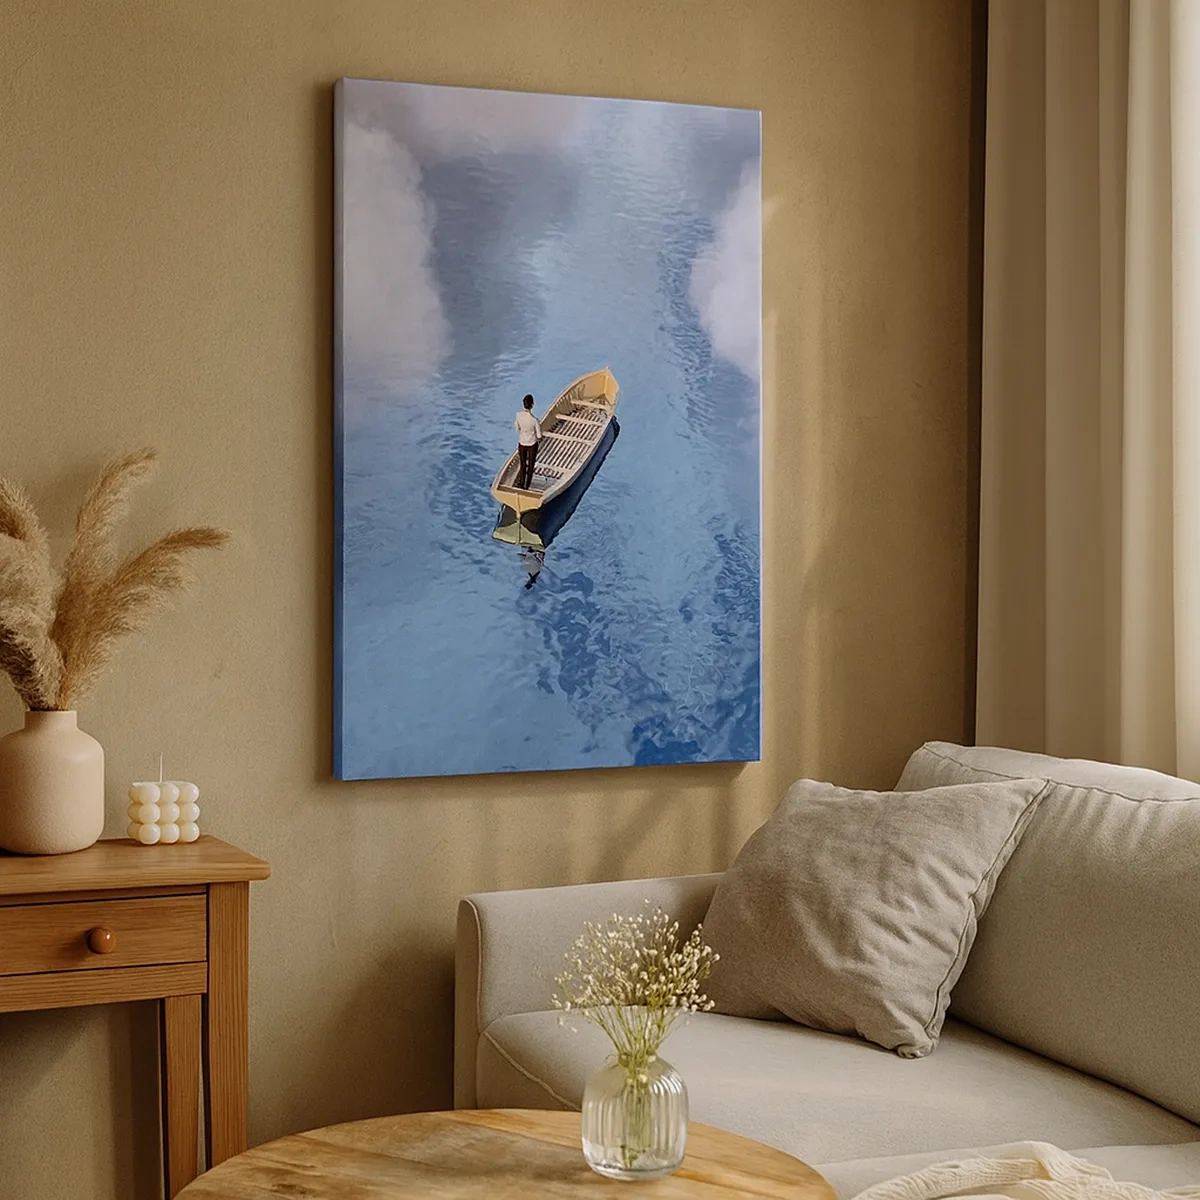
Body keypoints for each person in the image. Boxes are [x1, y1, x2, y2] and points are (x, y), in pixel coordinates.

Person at [514, 393, 542, 490]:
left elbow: (517, 428)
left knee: (522, 464)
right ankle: (527, 486)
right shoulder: (534, 420)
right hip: (532, 444)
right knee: (530, 466)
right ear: (532, 405)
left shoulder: (518, 415)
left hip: (522, 443)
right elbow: (539, 435)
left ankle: (521, 483)